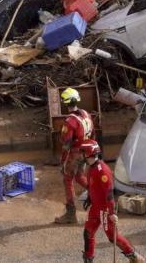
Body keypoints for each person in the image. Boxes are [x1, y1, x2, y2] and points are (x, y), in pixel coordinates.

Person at [80, 139, 145, 263]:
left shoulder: (103, 171)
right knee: (88, 233)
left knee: (112, 236)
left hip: (105, 209)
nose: (82, 155)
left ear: (89, 153)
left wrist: (111, 213)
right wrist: (89, 198)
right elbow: (92, 186)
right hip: (95, 207)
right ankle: (88, 260)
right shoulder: (91, 168)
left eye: (83, 152)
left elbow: (109, 194)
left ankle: (134, 256)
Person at [55, 87, 95, 225]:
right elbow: (93, 134)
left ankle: (71, 214)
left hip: (76, 153)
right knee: (79, 176)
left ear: (65, 103)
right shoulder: (86, 114)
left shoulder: (70, 121)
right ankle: (97, 194)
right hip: (86, 151)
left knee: (68, 179)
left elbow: (66, 144)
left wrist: (62, 162)